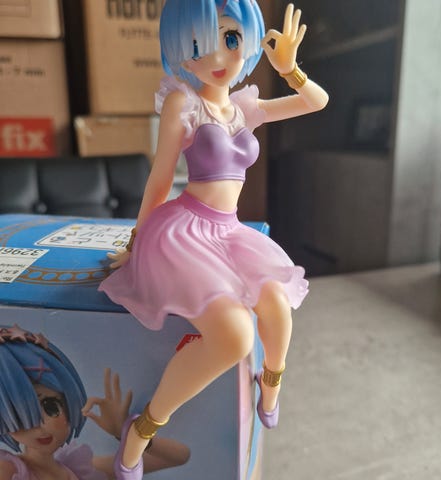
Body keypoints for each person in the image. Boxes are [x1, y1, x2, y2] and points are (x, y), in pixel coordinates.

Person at [98, 1, 329, 478]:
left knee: (277, 305)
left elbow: (316, 102)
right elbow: (161, 178)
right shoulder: (184, 103)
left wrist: (289, 69)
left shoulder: (244, 107)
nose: (218, 57)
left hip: (230, 230)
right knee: (235, 335)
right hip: (184, 229)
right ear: (179, 50)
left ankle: (270, 386)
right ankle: (143, 428)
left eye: (230, 38)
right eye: (198, 44)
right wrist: (137, 241)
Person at [0, 324, 190, 480]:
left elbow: (180, 456)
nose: (40, 426)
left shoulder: (79, 469)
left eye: (51, 407)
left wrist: (128, 432)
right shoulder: (8, 470)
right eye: (18, 416)